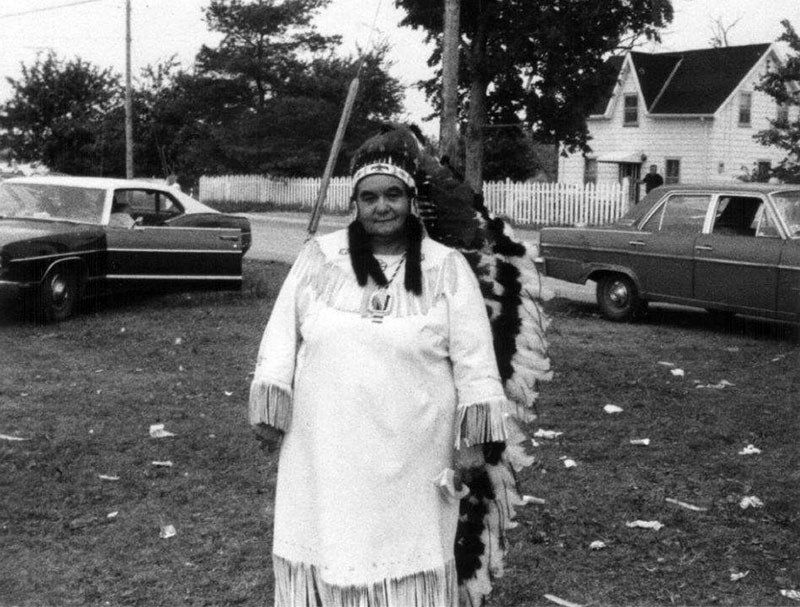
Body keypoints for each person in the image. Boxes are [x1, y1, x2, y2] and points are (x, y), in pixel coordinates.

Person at [249, 145, 513, 606]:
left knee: (409, 555)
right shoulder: (319, 258)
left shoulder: (446, 267)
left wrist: (472, 442)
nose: (382, 206)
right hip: (326, 444)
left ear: (411, 202)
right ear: (355, 205)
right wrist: (271, 403)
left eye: (393, 195)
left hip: (415, 446)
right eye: (369, 197)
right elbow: (279, 338)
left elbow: (475, 362)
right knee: (330, 540)